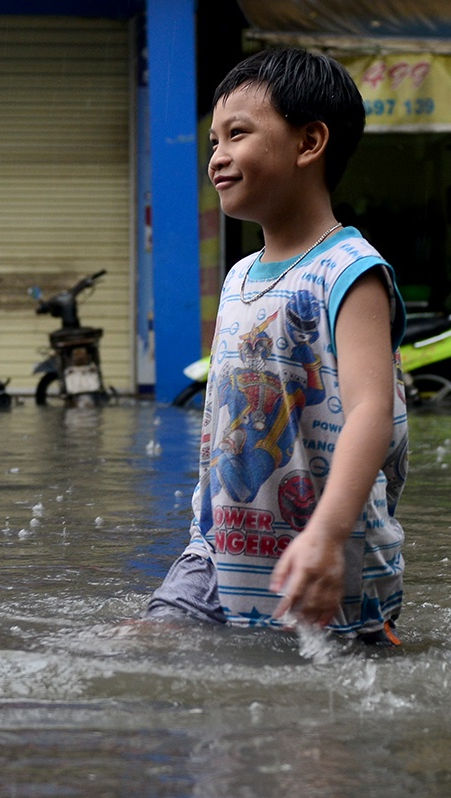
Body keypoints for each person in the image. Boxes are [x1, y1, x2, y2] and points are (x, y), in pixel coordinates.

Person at [148, 48, 408, 642]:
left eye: (236, 135)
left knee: (320, 720)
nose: (217, 157)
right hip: (218, 553)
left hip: (328, 559)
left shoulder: (350, 271)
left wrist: (327, 535)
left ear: (309, 142)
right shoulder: (239, 277)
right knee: (136, 653)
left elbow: (374, 408)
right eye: (213, 141)